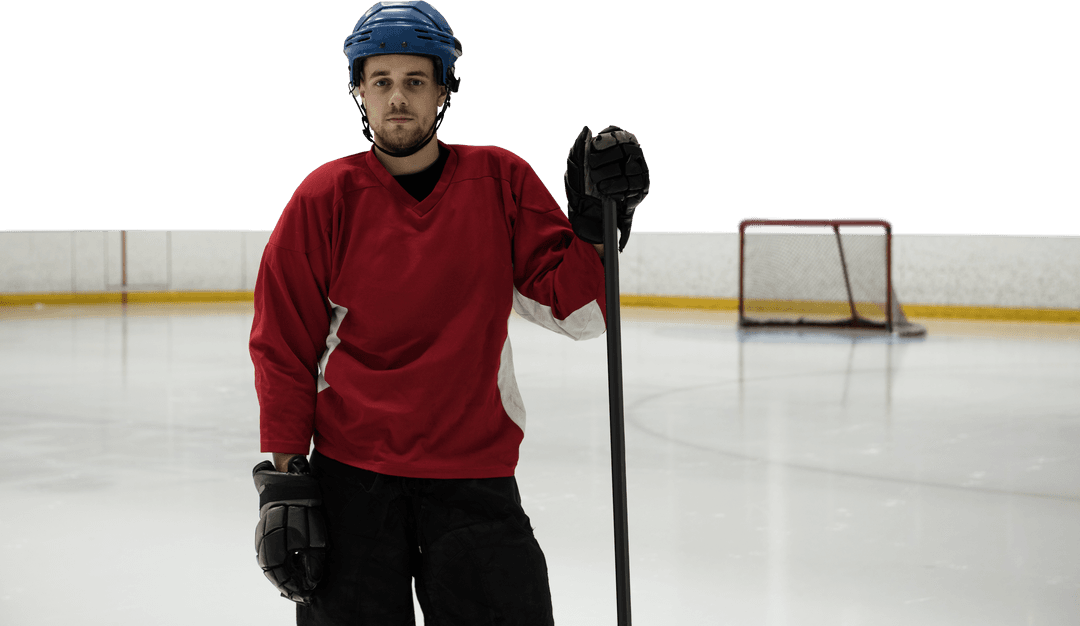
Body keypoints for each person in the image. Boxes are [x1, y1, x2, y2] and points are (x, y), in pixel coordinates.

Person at [249, 2, 648, 624]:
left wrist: (600, 229)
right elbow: (283, 344)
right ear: (359, 91)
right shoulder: (323, 198)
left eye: (415, 82)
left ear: (443, 93)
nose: (398, 99)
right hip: (353, 479)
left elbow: (581, 314)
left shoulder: (501, 182)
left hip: (473, 476)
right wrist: (285, 480)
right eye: (381, 82)